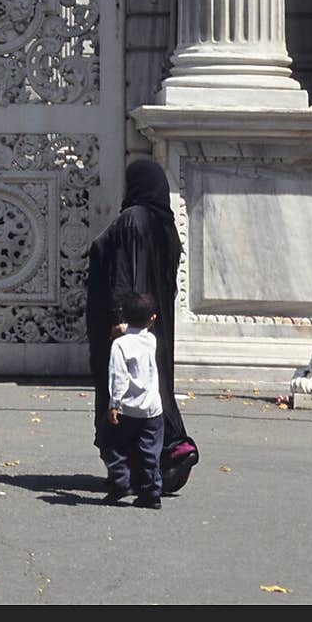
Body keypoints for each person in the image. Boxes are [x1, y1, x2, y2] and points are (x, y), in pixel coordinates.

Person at [86, 158, 198, 495]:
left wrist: (122, 320)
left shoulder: (133, 220)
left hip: (127, 325)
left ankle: (141, 462)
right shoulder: (163, 225)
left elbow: (128, 273)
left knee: (122, 391)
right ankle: (157, 457)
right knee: (150, 388)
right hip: (155, 325)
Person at [102, 291, 164, 509]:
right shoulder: (151, 340)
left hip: (127, 407)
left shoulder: (120, 345)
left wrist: (114, 404)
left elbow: (118, 376)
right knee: (150, 452)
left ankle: (120, 480)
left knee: (111, 444)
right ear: (153, 319)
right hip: (152, 408)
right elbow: (140, 331)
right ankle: (152, 492)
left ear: (122, 316)